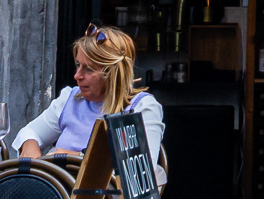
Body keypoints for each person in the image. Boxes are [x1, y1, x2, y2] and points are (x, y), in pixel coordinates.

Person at [14, 24, 169, 175]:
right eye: (78, 65)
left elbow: (141, 171)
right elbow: (30, 132)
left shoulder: (141, 108)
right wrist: (31, 151)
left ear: (113, 73)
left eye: (89, 69)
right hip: (57, 197)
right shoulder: (71, 99)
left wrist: (73, 159)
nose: (77, 75)